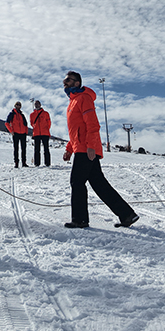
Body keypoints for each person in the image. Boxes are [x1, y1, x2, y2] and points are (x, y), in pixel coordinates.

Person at [61, 70, 139, 229]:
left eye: (69, 80)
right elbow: (76, 130)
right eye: (65, 79)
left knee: (77, 182)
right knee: (99, 184)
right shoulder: (73, 102)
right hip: (81, 147)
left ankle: (80, 219)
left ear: (77, 83)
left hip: (86, 149)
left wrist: (90, 146)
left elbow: (92, 125)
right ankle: (127, 215)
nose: (65, 82)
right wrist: (69, 149)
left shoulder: (84, 98)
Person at [5, 101, 29, 168]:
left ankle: (24, 162)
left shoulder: (22, 115)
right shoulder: (12, 114)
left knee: (23, 149)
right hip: (16, 133)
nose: (18, 106)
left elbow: (25, 124)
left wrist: (26, 132)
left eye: (19, 105)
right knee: (16, 149)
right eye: (17, 105)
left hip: (23, 134)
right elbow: (7, 123)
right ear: (15, 106)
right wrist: (11, 131)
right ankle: (16, 162)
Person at [30, 99, 52, 166]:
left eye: (38, 104)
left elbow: (49, 123)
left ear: (40, 104)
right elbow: (31, 123)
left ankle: (47, 163)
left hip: (45, 133)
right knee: (37, 149)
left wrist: (45, 129)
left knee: (46, 149)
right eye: (35, 104)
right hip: (36, 134)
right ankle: (37, 163)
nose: (36, 105)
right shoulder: (32, 115)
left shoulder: (46, 113)